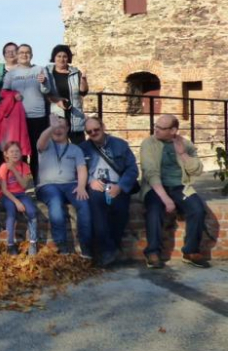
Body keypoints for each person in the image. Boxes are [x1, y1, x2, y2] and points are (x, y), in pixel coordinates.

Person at [140, 114, 210, 269]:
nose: (155, 130)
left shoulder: (185, 144)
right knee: (154, 209)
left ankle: (191, 251)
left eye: (160, 128)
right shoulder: (148, 143)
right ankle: (153, 252)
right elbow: (150, 173)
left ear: (173, 130)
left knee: (198, 209)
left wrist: (183, 154)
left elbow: (197, 170)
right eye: (155, 126)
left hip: (180, 186)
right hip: (155, 187)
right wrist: (166, 199)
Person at [80, 117, 139, 267]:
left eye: (96, 129)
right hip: (96, 186)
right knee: (98, 213)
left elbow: (132, 169)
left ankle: (110, 248)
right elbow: (77, 171)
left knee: (121, 212)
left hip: (117, 184)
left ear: (103, 127)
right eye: (89, 131)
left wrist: (120, 186)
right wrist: (89, 182)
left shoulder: (120, 145)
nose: (93, 133)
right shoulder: (83, 148)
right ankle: (108, 250)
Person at [35, 115, 91, 257]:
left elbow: (82, 169)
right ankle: (62, 245)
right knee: (55, 200)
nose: (58, 130)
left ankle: (86, 245)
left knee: (83, 203)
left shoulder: (75, 149)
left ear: (67, 129)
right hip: (47, 186)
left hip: (70, 185)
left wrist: (81, 186)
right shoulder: (46, 144)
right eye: (55, 127)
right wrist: (51, 127)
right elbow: (40, 141)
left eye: (61, 126)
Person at [2, 44, 50, 181]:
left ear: (32, 54)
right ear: (17, 55)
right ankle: (19, 184)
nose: (24, 55)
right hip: (17, 119)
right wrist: (13, 96)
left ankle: (38, 183)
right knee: (18, 152)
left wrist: (44, 82)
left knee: (37, 151)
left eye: (27, 52)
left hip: (37, 116)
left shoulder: (40, 69)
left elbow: (47, 91)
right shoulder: (11, 74)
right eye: (21, 52)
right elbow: (3, 93)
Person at [0, 141, 37, 256]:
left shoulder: (24, 166)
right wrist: (17, 202)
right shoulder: (4, 167)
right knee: (11, 212)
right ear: (6, 154)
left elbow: (24, 185)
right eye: (11, 151)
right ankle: (10, 244)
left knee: (32, 211)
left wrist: (14, 170)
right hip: (7, 195)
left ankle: (33, 242)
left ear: (21, 153)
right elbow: (4, 189)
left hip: (21, 194)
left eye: (17, 151)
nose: (15, 154)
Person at [47, 45, 89, 144]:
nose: (62, 59)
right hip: (55, 115)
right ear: (54, 57)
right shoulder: (47, 73)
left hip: (74, 116)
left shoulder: (75, 73)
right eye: (59, 56)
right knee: (57, 149)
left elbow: (83, 92)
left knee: (79, 148)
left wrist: (83, 79)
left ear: (68, 58)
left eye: (64, 56)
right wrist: (57, 101)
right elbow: (44, 93)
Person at [0, 42, 18, 163]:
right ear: (4, 55)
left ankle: (19, 178)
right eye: (8, 51)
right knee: (1, 146)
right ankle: (3, 176)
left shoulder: (24, 69)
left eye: (14, 51)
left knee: (18, 145)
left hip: (18, 113)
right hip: (1, 113)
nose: (11, 54)